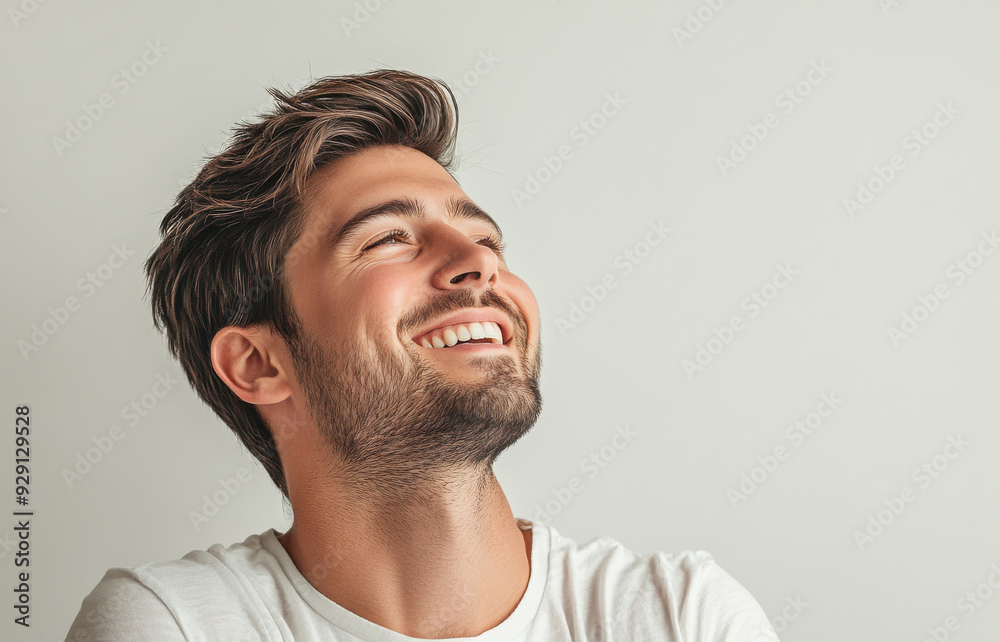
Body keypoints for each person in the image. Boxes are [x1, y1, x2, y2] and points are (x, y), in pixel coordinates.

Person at [66, 69, 779, 641]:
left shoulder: (682, 615)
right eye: (387, 239)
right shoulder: (176, 621)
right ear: (260, 364)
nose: (477, 263)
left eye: (487, 239)